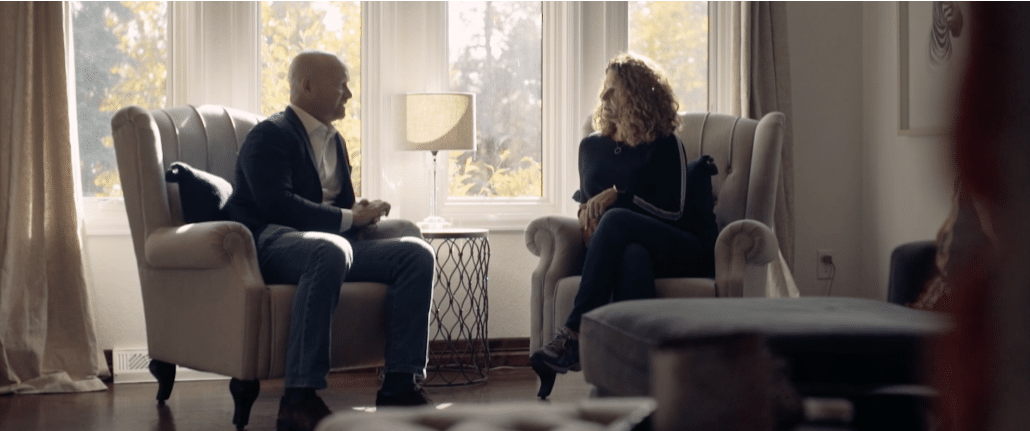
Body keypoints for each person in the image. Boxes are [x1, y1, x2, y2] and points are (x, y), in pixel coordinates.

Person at [224, 50, 435, 431]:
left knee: (416, 254)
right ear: (307, 85)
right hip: (270, 242)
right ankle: (298, 397)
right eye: (342, 85)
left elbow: (337, 207)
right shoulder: (268, 136)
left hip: (328, 247)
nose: (349, 95)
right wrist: (349, 217)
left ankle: (400, 385)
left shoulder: (335, 142)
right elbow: (277, 205)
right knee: (329, 249)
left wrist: (360, 212)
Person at [529, 53, 718, 398]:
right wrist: (589, 222)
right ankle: (632, 376)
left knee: (618, 221)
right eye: (604, 90)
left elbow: (674, 212)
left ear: (638, 96)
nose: (603, 98)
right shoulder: (591, 147)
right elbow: (590, 216)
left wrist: (620, 198)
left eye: (613, 91)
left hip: (679, 247)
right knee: (632, 256)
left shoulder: (665, 144)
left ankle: (572, 334)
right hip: (621, 247)